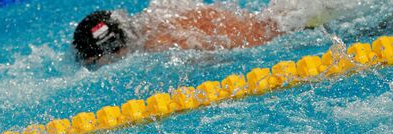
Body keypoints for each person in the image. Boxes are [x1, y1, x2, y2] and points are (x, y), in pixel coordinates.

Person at [73, 3, 283, 65]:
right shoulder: (157, 15)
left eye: (95, 63)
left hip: (282, 34)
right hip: (279, 18)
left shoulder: (159, 41)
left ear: (113, 51)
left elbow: (220, 57)